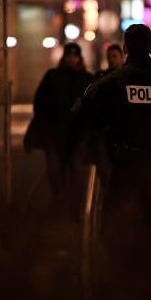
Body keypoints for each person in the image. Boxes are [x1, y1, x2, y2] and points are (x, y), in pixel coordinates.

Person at [79, 24, 151, 300]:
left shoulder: (111, 82)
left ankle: (120, 295)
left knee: (116, 233)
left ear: (125, 48)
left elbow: (84, 114)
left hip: (124, 171)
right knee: (148, 237)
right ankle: (145, 297)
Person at [32, 42, 94, 213]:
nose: (71, 59)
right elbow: (40, 102)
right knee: (54, 168)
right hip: (55, 132)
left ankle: (75, 205)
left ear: (79, 58)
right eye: (68, 56)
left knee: (76, 168)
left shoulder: (87, 79)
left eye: (74, 56)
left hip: (77, 134)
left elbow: (93, 106)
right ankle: (60, 199)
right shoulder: (52, 76)